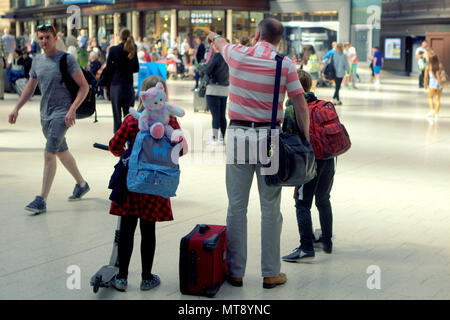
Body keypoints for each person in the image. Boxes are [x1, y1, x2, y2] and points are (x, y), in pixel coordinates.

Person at [207, 17, 310, 289]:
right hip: (270, 138)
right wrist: (306, 139)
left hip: (239, 134)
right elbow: (301, 106)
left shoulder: (237, 54)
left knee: (237, 207)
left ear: (256, 35)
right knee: (270, 209)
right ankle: (270, 272)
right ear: (279, 40)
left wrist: (213, 36)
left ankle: (236, 272)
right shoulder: (285, 64)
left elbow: (221, 43)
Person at [108, 75, 188, 292]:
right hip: (156, 183)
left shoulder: (133, 119)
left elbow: (114, 145)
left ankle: (122, 278)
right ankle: (146, 278)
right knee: (148, 229)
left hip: (132, 183)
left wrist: (127, 152)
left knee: (126, 228)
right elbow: (179, 151)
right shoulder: (170, 121)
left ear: (142, 94)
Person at [8, 24, 90, 215]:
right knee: (61, 151)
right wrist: (16, 108)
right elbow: (30, 88)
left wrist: (72, 109)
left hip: (62, 114)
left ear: (55, 38)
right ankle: (82, 184)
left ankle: (42, 199)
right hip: (45, 114)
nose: (44, 41)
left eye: (47, 37)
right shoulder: (37, 61)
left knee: (48, 153)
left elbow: (83, 87)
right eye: (41, 38)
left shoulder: (66, 60)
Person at [282, 70, 336, 262]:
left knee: (302, 203)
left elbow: (288, 137)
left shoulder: (292, 107)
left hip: (308, 162)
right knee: (323, 199)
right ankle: (327, 241)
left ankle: (306, 247)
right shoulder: (324, 105)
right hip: (329, 160)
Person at [106, 28, 139, 133]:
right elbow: (136, 68)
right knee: (129, 117)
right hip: (128, 86)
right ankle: (130, 142)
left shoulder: (113, 50)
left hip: (116, 86)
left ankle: (118, 144)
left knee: (117, 117)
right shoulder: (133, 49)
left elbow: (108, 69)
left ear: (119, 37)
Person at [199, 40, 229, 144]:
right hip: (224, 89)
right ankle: (222, 138)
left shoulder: (216, 56)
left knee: (215, 115)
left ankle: (215, 139)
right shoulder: (228, 57)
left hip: (213, 89)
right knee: (222, 115)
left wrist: (202, 66)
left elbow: (207, 70)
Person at [424, 54, 444, 120]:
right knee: (438, 99)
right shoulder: (440, 65)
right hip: (439, 84)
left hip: (432, 84)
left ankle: (432, 110)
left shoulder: (428, 66)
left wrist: (425, 85)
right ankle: (436, 114)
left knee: (430, 97)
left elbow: (426, 77)